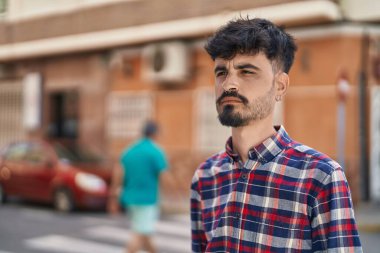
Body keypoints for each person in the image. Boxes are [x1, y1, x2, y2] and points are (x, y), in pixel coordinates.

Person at [190, 18, 362, 252]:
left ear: (280, 86)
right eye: (221, 72)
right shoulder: (205, 176)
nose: (229, 84)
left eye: (246, 72)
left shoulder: (320, 177)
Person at [108, 120, 168, 253]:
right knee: (139, 234)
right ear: (155, 134)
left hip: (129, 198)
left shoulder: (129, 151)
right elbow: (164, 176)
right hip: (146, 200)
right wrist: (173, 195)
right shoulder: (155, 151)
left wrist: (113, 197)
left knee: (145, 234)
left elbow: (118, 174)